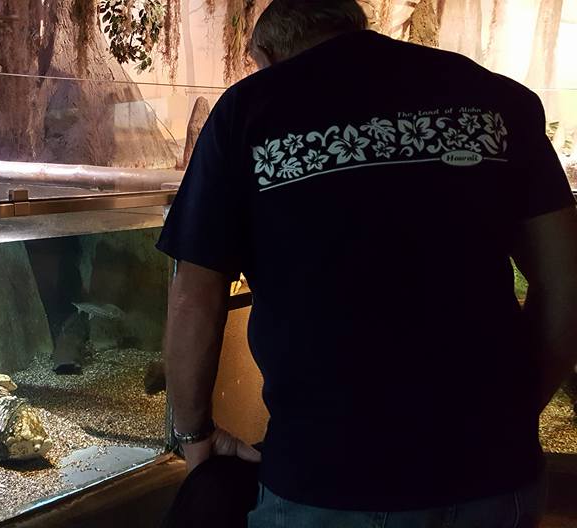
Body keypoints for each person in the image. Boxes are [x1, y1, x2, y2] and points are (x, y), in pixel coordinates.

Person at [156, 0, 577, 526]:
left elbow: (195, 294)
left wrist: (194, 434)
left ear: (267, 54)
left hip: (324, 479)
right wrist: (512, 414)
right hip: (496, 477)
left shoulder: (248, 110)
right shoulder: (498, 100)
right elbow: (567, 282)